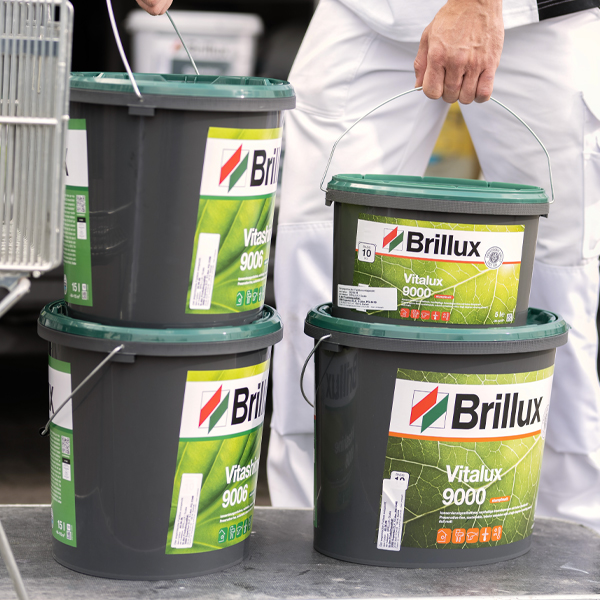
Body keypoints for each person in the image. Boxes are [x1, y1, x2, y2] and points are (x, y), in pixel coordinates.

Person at [135, 0, 600, 532]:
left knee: (552, 278)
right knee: (319, 252)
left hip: (534, 18)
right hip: (370, 11)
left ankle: (568, 532)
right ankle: (314, 519)